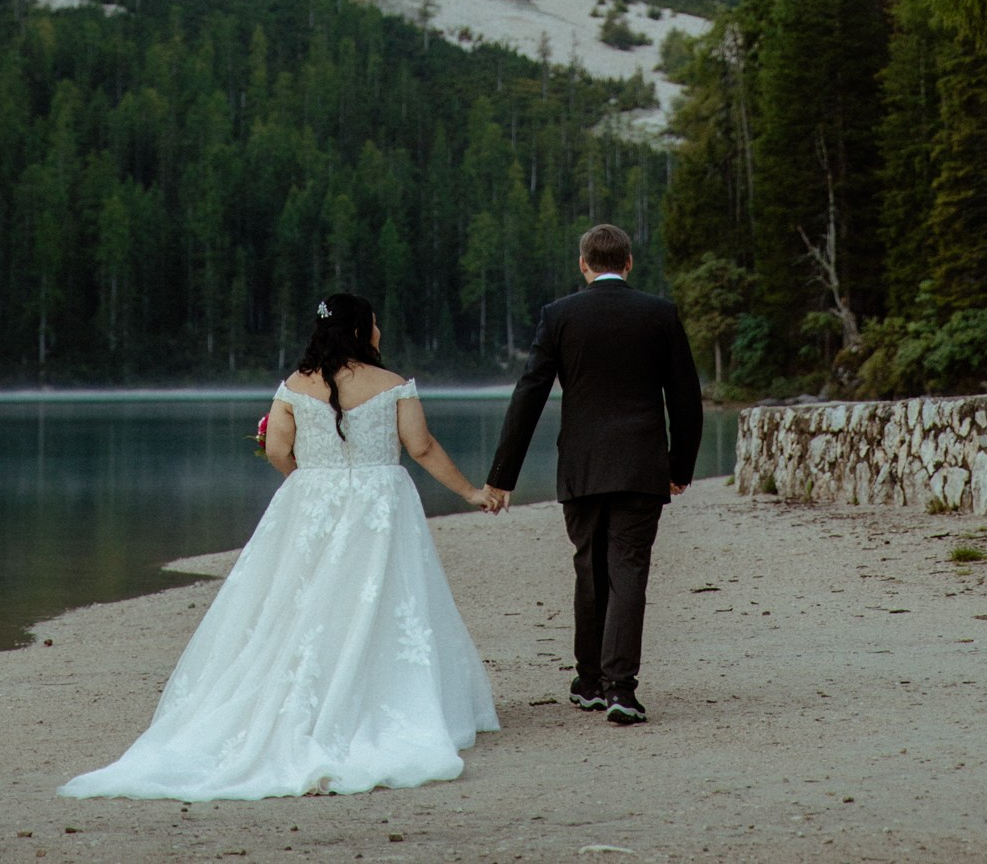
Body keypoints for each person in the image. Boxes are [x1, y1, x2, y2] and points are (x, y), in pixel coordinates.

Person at [58, 290, 501, 801]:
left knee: (303, 604)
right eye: (375, 325)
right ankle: (377, 697)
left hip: (312, 502)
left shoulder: (293, 386)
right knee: (380, 600)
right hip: (380, 505)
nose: (380, 333)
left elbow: (276, 449)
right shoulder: (395, 386)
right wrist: (470, 491)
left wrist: (312, 483)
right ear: (360, 331)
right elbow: (420, 447)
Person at [485, 222, 703, 726]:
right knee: (627, 569)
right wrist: (680, 467)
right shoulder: (660, 314)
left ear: (584, 265)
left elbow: (529, 397)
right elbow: (685, 399)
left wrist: (502, 476)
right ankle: (620, 689)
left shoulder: (559, 316)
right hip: (641, 465)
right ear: (628, 264)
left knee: (589, 566)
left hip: (581, 465)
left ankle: (589, 681)